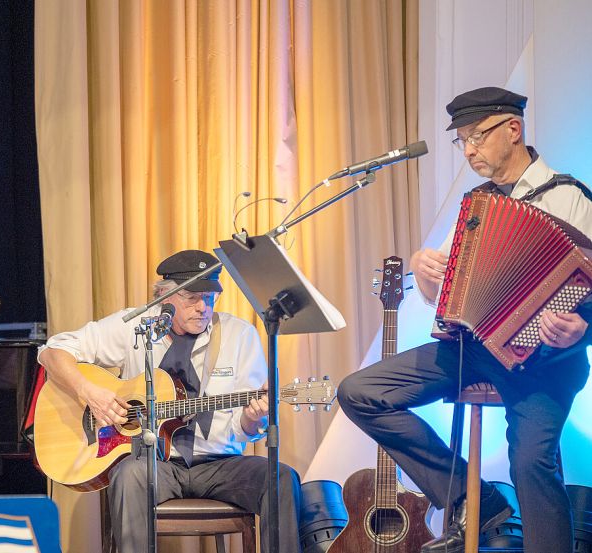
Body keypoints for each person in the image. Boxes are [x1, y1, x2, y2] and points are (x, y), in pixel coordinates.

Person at [337, 87, 592, 552]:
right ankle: (473, 499)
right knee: (360, 392)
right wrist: (424, 271)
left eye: (477, 136)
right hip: (473, 349)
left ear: (513, 130)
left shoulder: (570, 197)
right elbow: (452, 294)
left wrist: (582, 328)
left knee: (532, 463)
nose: (469, 149)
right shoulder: (477, 206)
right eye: (463, 141)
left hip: (545, 362)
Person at [38, 249, 302, 553]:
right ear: (165, 297)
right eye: (191, 298)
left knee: (280, 478)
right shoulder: (136, 327)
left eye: (210, 297)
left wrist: (253, 419)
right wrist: (89, 392)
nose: (203, 307)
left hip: (220, 464)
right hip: (155, 464)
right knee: (128, 476)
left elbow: (245, 429)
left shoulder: (239, 335)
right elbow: (52, 351)